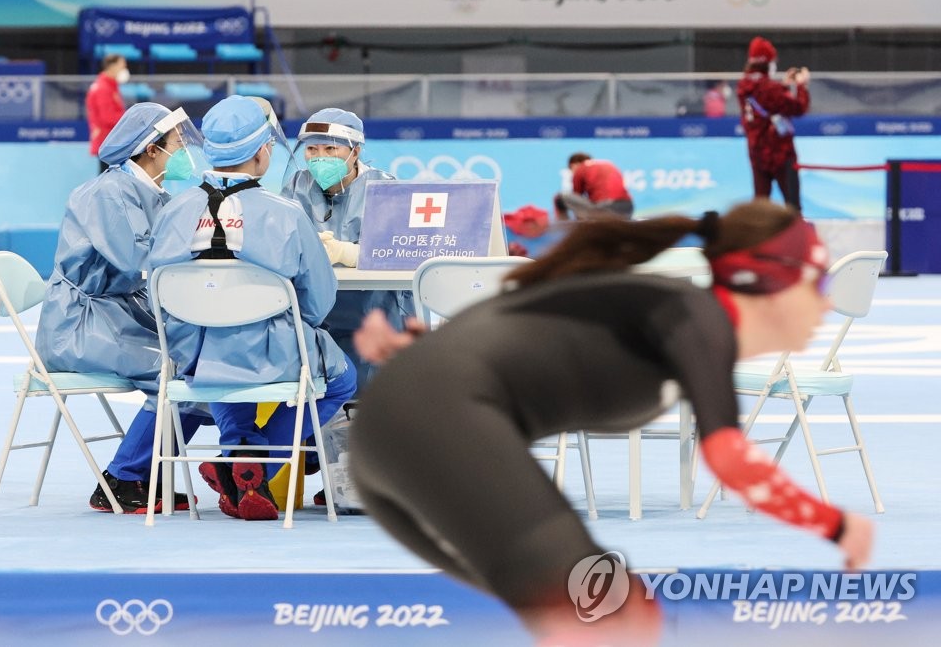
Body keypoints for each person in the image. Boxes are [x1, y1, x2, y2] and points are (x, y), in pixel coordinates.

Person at [349, 200, 874, 646]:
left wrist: (419, 360)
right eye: (818, 280)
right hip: (427, 421)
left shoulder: (660, 307)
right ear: (765, 278)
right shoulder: (697, 318)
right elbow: (729, 456)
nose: (827, 301)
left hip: (396, 433)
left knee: (601, 615)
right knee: (609, 619)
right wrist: (835, 525)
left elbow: (514, 328)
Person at [148, 95, 357, 521]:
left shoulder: (174, 210)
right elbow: (318, 300)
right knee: (341, 379)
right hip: (271, 350)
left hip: (192, 354)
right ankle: (254, 469)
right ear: (263, 152)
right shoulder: (287, 213)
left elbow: (155, 286)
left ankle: (240, 453)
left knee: (220, 365)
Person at [35, 102, 210, 514]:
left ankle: (149, 471)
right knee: (178, 372)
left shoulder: (153, 192)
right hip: (81, 322)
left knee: (205, 363)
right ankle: (123, 478)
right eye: (178, 142)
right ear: (152, 149)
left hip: (118, 313)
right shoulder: (108, 193)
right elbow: (140, 261)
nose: (184, 149)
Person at [280, 107, 415, 392]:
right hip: (319, 316)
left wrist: (345, 253)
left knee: (374, 396)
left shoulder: (383, 187)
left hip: (376, 314)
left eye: (331, 149)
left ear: (355, 152)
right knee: (321, 398)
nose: (320, 158)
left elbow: (397, 253)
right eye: (312, 149)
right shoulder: (297, 186)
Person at [738, 36, 811, 211]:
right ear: (767, 62)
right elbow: (798, 108)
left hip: (756, 153)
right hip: (780, 154)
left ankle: (759, 238)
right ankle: (795, 238)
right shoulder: (770, 88)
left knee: (760, 207)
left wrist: (784, 85)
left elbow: (768, 100)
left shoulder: (743, 85)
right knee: (792, 205)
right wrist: (802, 86)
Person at [554, 152, 634, 221]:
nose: (572, 174)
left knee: (560, 198)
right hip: (628, 207)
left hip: (605, 208)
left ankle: (563, 230)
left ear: (573, 165)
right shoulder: (608, 164)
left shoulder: (580, 169)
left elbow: (577, 198)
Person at [86, 53, 130, 173]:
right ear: (112, 66)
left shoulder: (110, 86)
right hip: (108, 142)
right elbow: (108, 117)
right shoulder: (103, 88)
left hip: (112, 141)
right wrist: (129, 119)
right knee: (108, 181)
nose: (124, 70)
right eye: (122, 66)